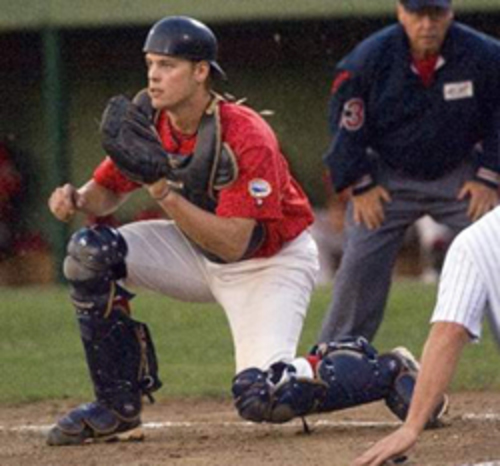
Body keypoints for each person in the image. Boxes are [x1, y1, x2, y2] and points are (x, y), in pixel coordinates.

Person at [46, 16, 445, 446]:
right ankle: (115, 407)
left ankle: (386, 371)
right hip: (193, 249)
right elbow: (108, 189)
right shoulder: (151, 119)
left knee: (262, 396)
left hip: (267, 263)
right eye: (151, 64)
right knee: (89, 252)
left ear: (201, 72)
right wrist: (79, 198)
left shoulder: (245, 133)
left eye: (167, 65)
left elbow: (234, 242)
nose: (154, 76)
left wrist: (162, 191)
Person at [319, 0, 500, 345]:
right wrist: (360, 183)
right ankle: (334, 361)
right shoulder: (368, 59)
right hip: (388, 177)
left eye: (436, 14)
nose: (427, 24)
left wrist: (489, 174)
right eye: (418, 14)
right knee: (359, 260)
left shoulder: (485, 55)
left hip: (460, 175)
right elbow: (345, 126)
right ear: (401, 12)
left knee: (497, 244)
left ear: (450, 13)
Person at [353, 204, 500, 466]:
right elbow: (449, 331)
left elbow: (450, 331)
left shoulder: (475, 242)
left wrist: (411, 428)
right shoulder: (476, 242)